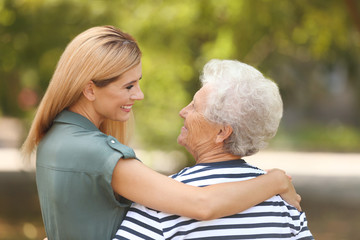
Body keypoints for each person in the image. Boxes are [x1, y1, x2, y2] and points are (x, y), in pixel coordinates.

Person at [22, 26, 301, 240]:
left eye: (137, 83)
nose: (139, 95)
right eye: (128, 86)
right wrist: (275, 180)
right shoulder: (97, 154)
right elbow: (202, 204)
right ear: (90, 88)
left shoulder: (56, 138)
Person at [113, 59, 313, 239]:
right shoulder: (283, 202)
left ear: (221, 132)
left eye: (194, 107)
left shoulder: (163, 201)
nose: (182, 111)